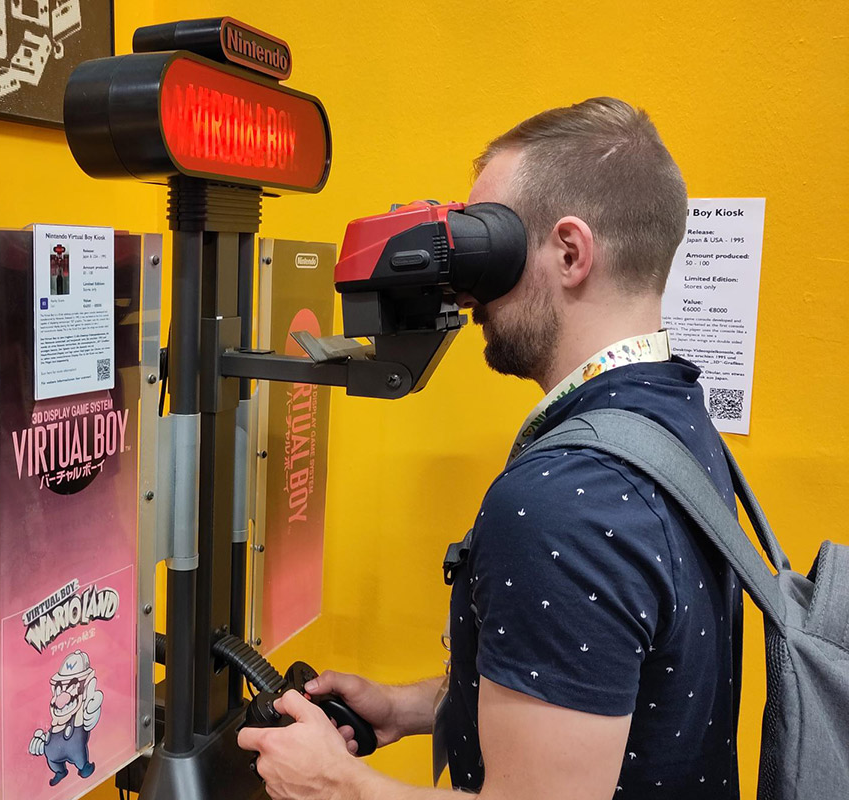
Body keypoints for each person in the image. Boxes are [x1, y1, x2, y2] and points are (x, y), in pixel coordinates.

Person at [237, 97, 743, 800]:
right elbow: (604, 671)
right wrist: (414, 706)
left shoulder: (566, 500)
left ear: (571, 252)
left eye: (489, 240)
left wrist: (335, 784)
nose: (470, 288)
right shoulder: (671, 416)